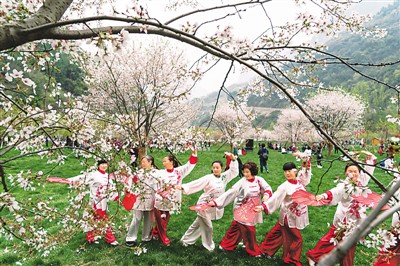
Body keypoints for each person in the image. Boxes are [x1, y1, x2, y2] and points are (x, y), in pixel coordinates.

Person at [306, 163, 372, 266]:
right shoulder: (344, 185)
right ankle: (314, 256)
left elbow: (368, 171)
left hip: (356, 220)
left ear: (359, 173)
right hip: (343, 218)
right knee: (332, 239)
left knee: (350, 244)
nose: (353, 174)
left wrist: (370, 157)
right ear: (345, 173)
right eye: (350, 171)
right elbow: (335, 192)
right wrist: (324, 195)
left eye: (355, 171)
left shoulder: (361, 182)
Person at [256, 153, 312, 266]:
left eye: (290, 171)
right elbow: (275, 198)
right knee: (297, 239)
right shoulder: (284, 187)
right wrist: (263, 206)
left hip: (298, 214)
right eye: (285, 171)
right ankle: (291, 259)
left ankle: (265, 250)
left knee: (278, 233)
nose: (287, 173)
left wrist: (305, 161)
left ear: (295, 171)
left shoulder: (300, 181)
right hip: (289, 216)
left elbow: (306, 172)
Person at [209, 162, 273, 257]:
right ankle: (253, 250)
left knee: (236, 227)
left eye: (247, 172)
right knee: (249, 230)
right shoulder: (242, 181)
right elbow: (231, 192)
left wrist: (266, 195)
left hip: (254, 208)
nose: (245, 174)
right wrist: (216, 202)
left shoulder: (259, 180)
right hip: (242, 208)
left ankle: (226, 245)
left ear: (253, 171)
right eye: (244, 172)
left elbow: (267, 188)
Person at [178, 152, 239, 251]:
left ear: (221, 168)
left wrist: (233, 160)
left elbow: (234, 171)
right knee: (208, 227)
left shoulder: (224, 177)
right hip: (204, 205)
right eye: (214, 168)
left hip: (214, 205)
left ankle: (185, 240)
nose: (215, 169)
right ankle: (209, 246)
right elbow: (196, 183)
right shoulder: (208, 178)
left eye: (217, 168)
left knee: (197, 224)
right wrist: (183, 187)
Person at [152, 145, 197, 246]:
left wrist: (194, 153)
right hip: (160, 200)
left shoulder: (179, 172)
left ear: (171, 162)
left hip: (172, 200)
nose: (163, 163)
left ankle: (155, 233)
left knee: (165, 219)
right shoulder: (160, 172)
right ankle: (163, 238)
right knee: (161, 220)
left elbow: (190, 165)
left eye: (165, 161)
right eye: (163, 161)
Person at [67, 159, 119, 245]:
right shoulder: (93, 175)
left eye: (105, 164)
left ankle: (90, 237)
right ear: (98, 165)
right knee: (103, 219)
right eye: (102, 164)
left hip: (103, 201)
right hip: (96, 201)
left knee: (94, 218)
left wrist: (115, 196)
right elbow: (81, 178)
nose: (104, 166)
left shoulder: (107, 175)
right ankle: (111, 239)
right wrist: (66, 180)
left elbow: (111, 188)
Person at [125, 155, 159, 246]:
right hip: (139, 197)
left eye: (144, 162)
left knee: (149, 218)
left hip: (151, 197)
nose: (143, 164)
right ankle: (131, 237)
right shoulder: (138, 172)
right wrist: (129, 188)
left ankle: (146, 237)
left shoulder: (156, 173)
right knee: (137, 218)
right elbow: (131, 182)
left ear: (150, 162)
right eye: (142, 162)